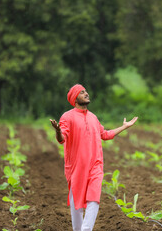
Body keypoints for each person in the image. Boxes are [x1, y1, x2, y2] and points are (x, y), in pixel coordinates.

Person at [50, 84, 138, 231]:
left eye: (86, 91)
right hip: (76, 168)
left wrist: (124, 127)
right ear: (74, 98)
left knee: (94, 198)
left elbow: (105, 134)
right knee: (76, 203)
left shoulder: (93, 117)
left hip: (95, 166)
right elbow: (62, 139)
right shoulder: (67, 117)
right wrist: (58, 131)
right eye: (82, 92)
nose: (86, 93)